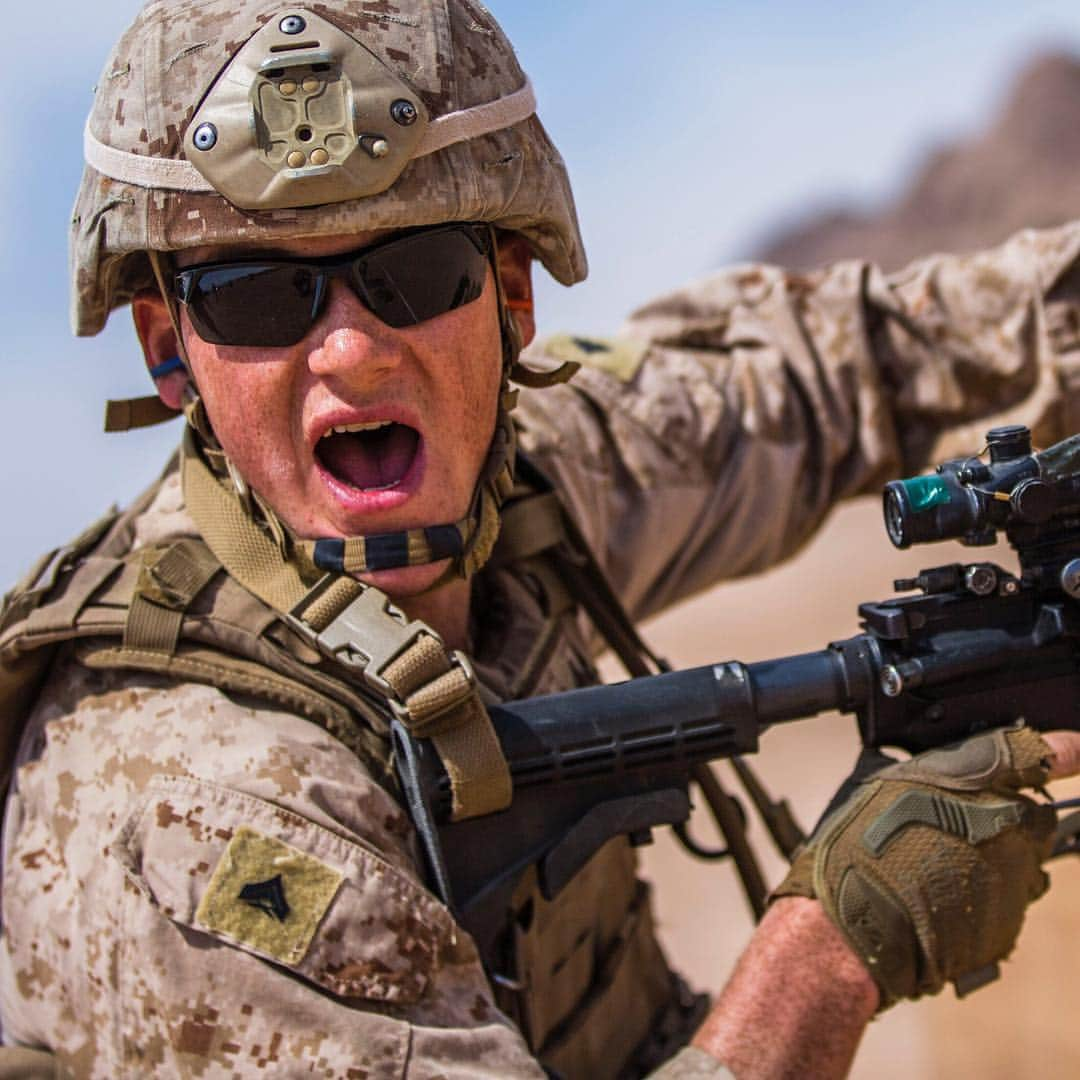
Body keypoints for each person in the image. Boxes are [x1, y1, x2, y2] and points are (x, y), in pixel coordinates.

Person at [2, 1, 1080, 1077]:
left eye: (414, 274)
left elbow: (849, 363)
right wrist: (827, 958)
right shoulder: (192, 821)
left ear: (509, 294)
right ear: (169, 352)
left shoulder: (528, 473)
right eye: (255, 298)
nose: (350, 351)